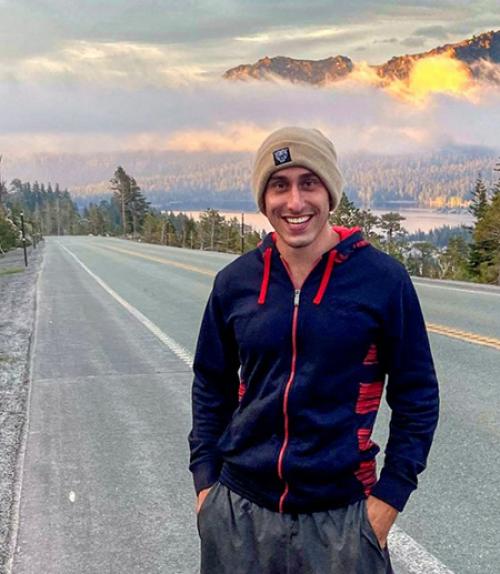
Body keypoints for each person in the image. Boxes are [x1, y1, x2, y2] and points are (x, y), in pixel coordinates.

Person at [188, 126, 439, 573]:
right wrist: (206, 484)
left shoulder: (381, 281)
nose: (295, 202)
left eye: (309, 183)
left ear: (330, 192)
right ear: (263, 199)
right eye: (279, 185)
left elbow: (417, 394)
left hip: (342, 518)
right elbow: (211, 383)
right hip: (239, 512)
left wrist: (389, 500)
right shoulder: (236, 282)